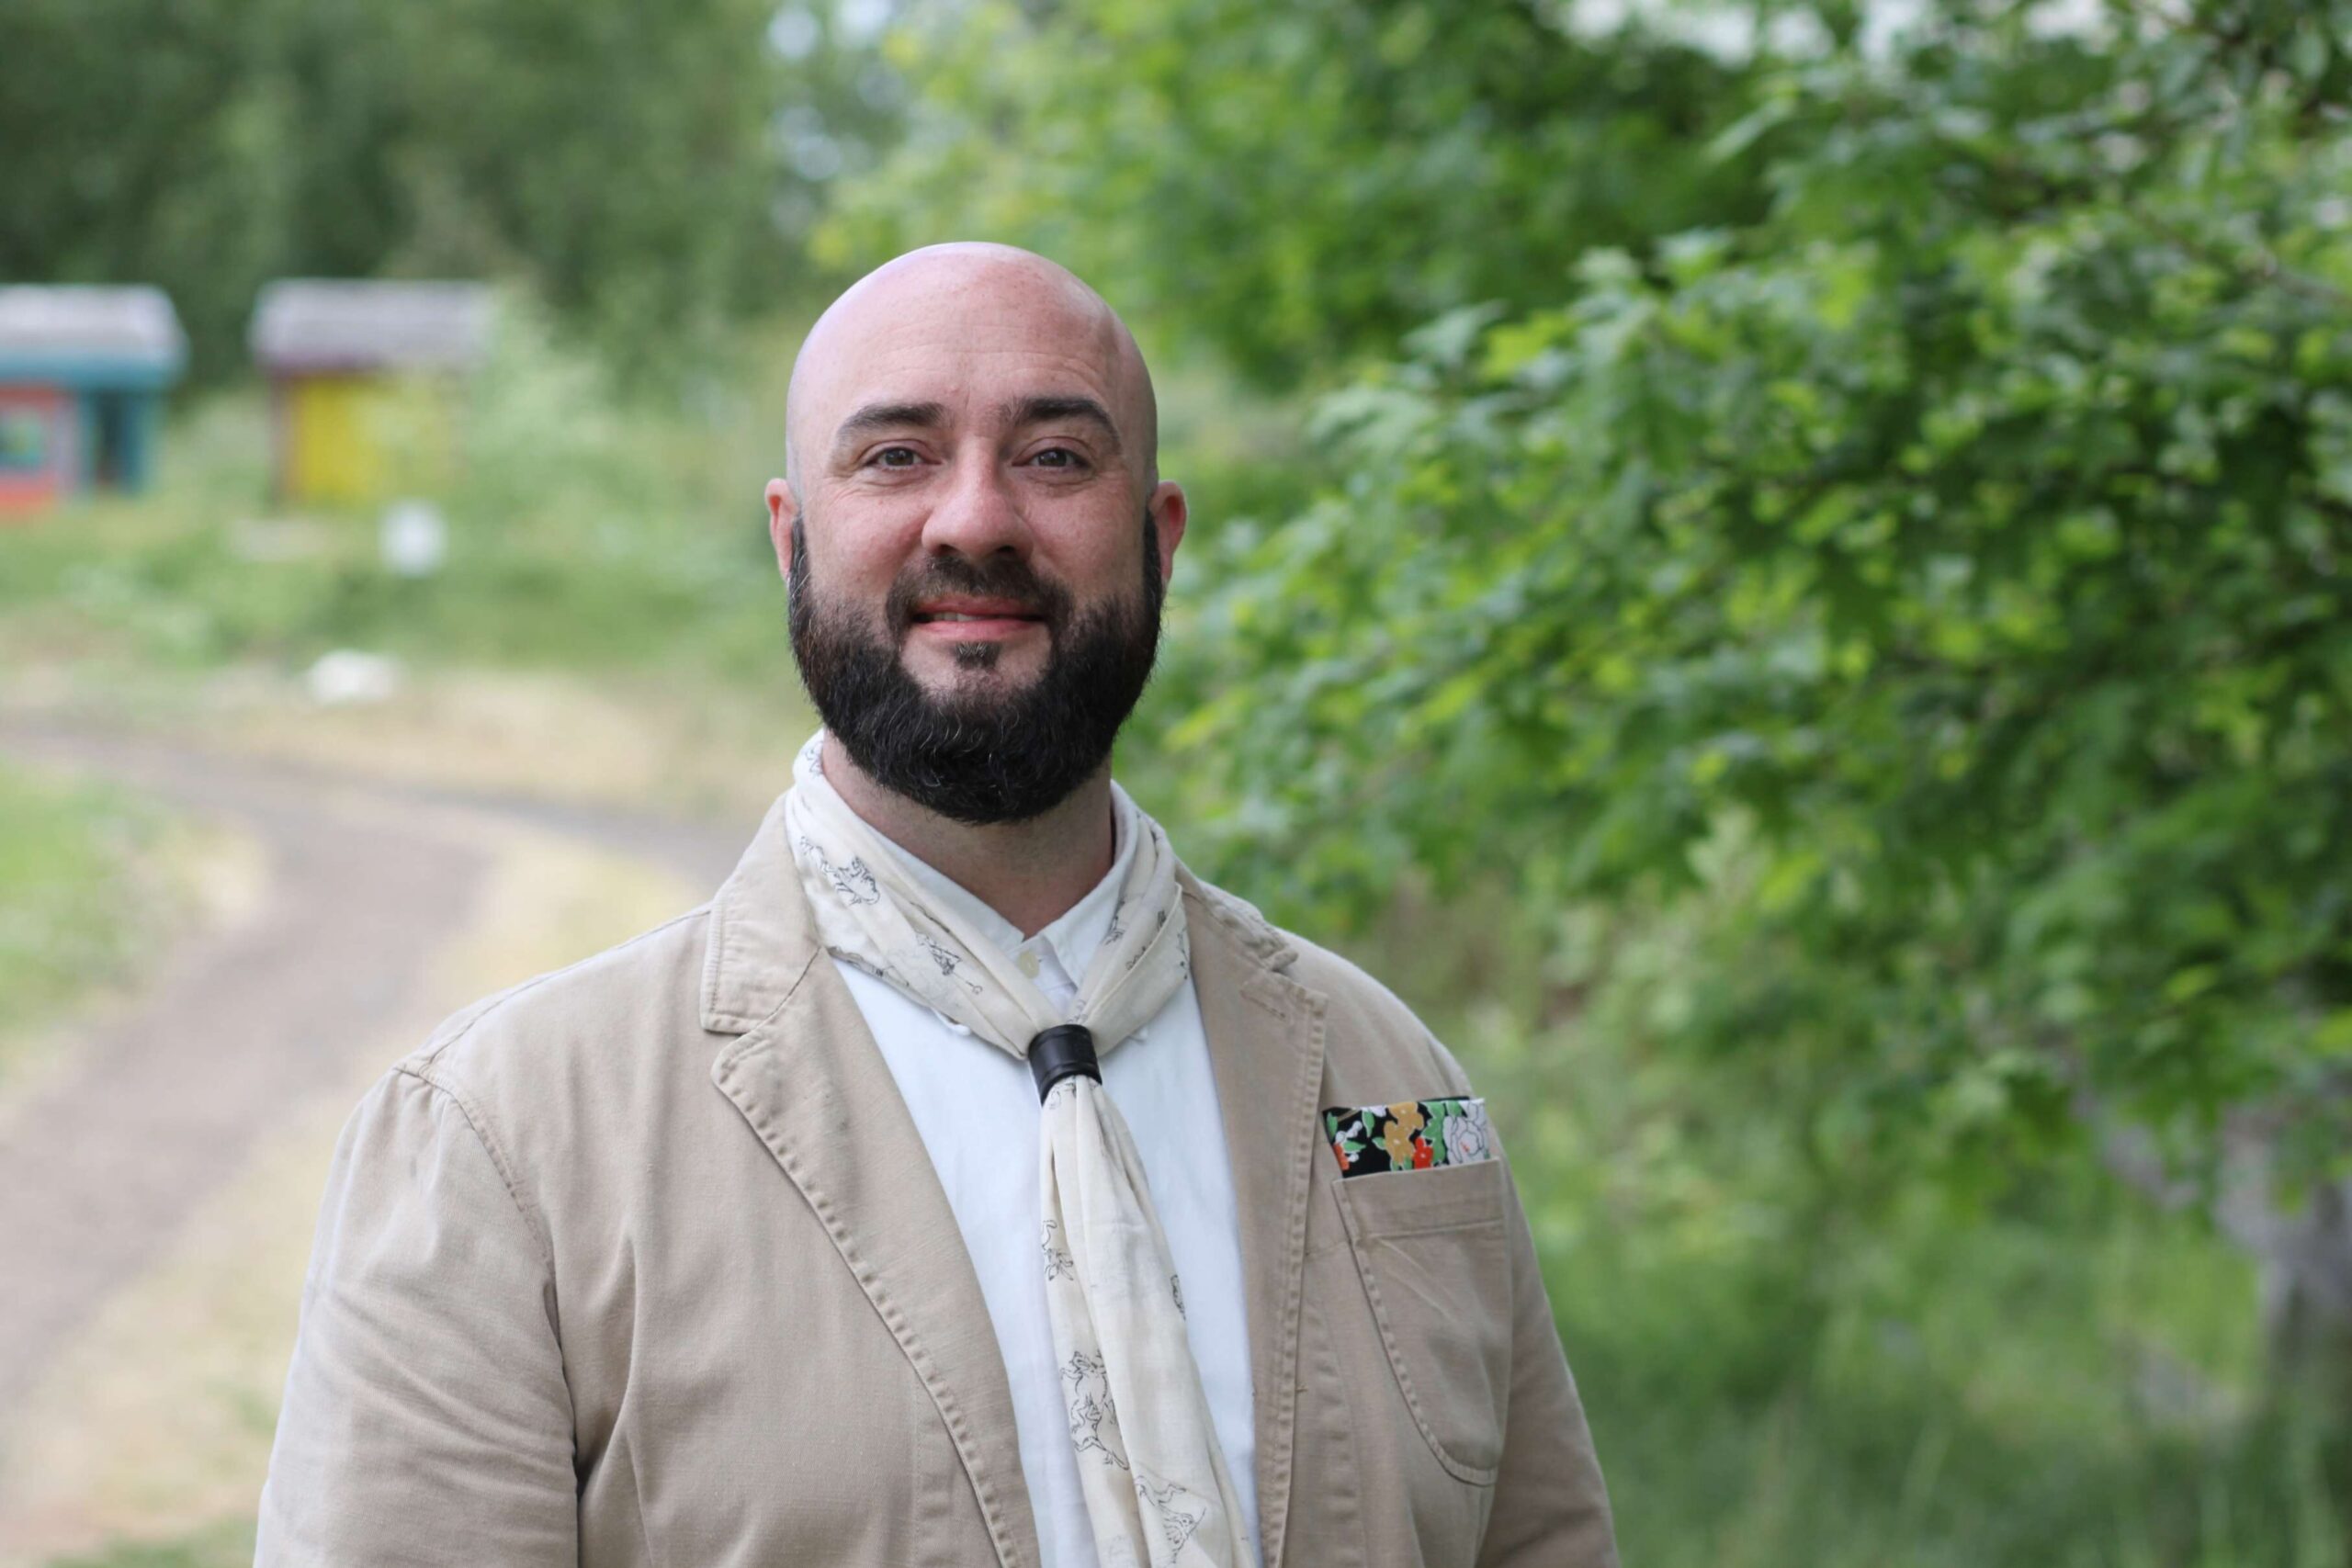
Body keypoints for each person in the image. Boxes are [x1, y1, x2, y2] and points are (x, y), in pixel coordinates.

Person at [255, 243, 1618, 1568]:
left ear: (1160, 541)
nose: (974, 518)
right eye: (896, 455)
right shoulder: (507, 1151)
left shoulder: (1394, 1091)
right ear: (793, 539)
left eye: (1056, 457)